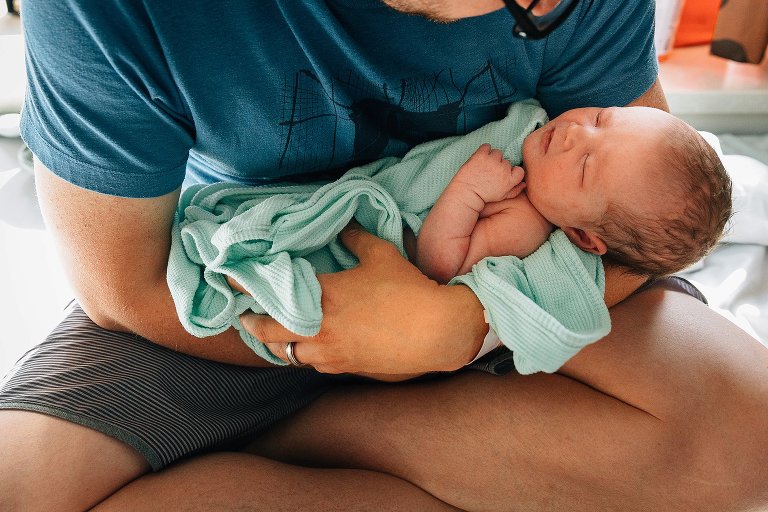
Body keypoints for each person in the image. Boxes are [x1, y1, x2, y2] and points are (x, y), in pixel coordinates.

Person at [1, 2, 767, 512]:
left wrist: (462, 326)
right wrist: (336, 345)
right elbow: (122, 287)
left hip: (491, 303)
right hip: (264, 276)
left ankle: (315, 439)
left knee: (746, 435)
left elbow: (644, 229)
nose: (543, 13)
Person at [417, 105, 732, 283]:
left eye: (584, 166)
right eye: (600, 118)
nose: (575, 131)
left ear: (582, 235)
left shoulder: (522, 224)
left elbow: (440, 266)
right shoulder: (537, 140)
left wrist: (467, 191)